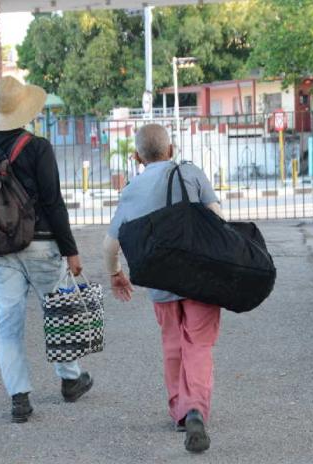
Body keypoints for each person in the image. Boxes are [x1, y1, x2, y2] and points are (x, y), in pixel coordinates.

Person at [0, 76, 93, 423]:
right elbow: (53, 203)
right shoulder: (37, 148)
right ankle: (71, 380)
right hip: (42, 245)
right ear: (25, 111)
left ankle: (19, 397)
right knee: (58, 310)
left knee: (7, 320)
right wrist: (71, 250)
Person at [103, 124, 223, 453]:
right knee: (198, 343)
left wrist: (115, 273)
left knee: (172, 344)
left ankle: (179, 412)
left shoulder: (131, 189)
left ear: (137, 157)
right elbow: (217, 218)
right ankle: (196, 407)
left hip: (160, 279)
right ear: (171, 150)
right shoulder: (192, 174)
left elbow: (111, 243)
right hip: (200, 276)